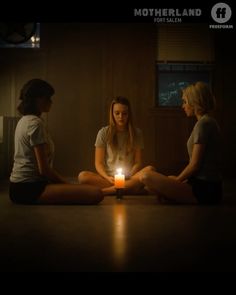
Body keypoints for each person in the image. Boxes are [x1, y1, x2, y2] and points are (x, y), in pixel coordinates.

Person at [9, 78, 103, 205]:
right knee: (96, 193)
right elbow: (44, 170)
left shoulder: (25, 120)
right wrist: (68, 184)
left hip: (19, 186)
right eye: (47, 98)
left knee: (88, 189)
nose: (51, 102)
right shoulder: (34, 124)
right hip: (28, 188)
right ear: (37, 99)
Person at [139, 82, 223, 205]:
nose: (183, 106)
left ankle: (171, 195)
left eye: (185, 102)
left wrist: (177, 181)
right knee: (155, 183)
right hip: (203, 184)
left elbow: (194, 165)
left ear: (194, 102)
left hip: (205, 189)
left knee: (145, 176)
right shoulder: (208, 122)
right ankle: (170, 195)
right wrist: (176, 181)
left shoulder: (204, 124)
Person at [78, 96, 146, 195]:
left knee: (149, 171)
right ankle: (129, 188)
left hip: (129, 177)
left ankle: (105, 191)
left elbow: (137, 162)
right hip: (109, 178)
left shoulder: (137, 133)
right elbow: (99, 163)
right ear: (112, 114)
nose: (121, 117)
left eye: (124, 113)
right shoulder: (104, 132)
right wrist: (107, 177)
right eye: (117, 113)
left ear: (129, 114)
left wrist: (129, 175)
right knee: (82, 176)